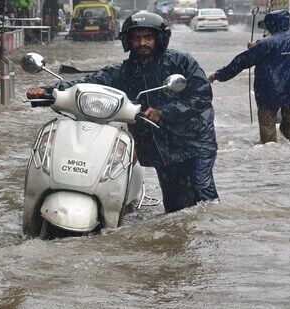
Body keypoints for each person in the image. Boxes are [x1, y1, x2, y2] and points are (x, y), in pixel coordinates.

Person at [27, 12, 219, 213]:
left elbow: (201, 96)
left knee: (203, 192)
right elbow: (90, 81)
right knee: (175, 207)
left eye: (148, 37)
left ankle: (214, 232)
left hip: (195, 141)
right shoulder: (124, 71)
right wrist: (48, 91)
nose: (142, 43)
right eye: (136, 38)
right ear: (128, 41)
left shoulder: (182, 62)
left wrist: (165, 112)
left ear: (160, 39)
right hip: (162, 147)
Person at [207, 10, 290, 144]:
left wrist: (218, 75)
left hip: (267, 92)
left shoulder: (263, 45)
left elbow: (239, 63)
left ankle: (270, 150)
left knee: (267, 127)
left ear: (271, 25)